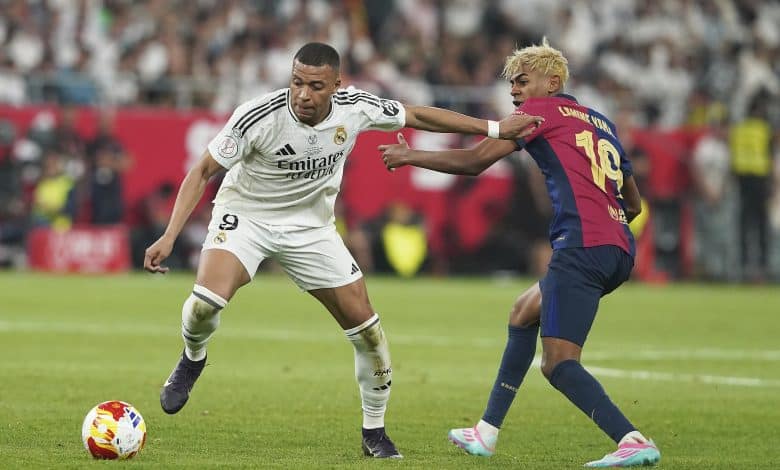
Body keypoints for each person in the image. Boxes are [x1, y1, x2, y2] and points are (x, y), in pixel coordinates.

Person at [143, 42, 540, 459]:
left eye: (315, 86)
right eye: (297, 83)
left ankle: (374, 432)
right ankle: (193, 358)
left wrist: (495, 129)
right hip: (247, 217)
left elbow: (418, 114)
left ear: (336, 85)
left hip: (311, 229)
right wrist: (169, 236)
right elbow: (203, 170)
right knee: (206, 302)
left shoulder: (356, 107)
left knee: (368, 332)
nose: (303, 95)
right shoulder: (258, 115)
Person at [380, 38, 660, 467]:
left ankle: (632, 439)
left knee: (558, 364)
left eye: (522, 82)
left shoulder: (541, 113)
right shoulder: (602, 122)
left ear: (553, 81)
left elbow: (476, 162)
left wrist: (409, 154)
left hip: (581, 246)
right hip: (619, 247)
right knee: (523, 311)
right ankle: (486, 432)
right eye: (511, 84)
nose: (514, 92)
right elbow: (635, 203)